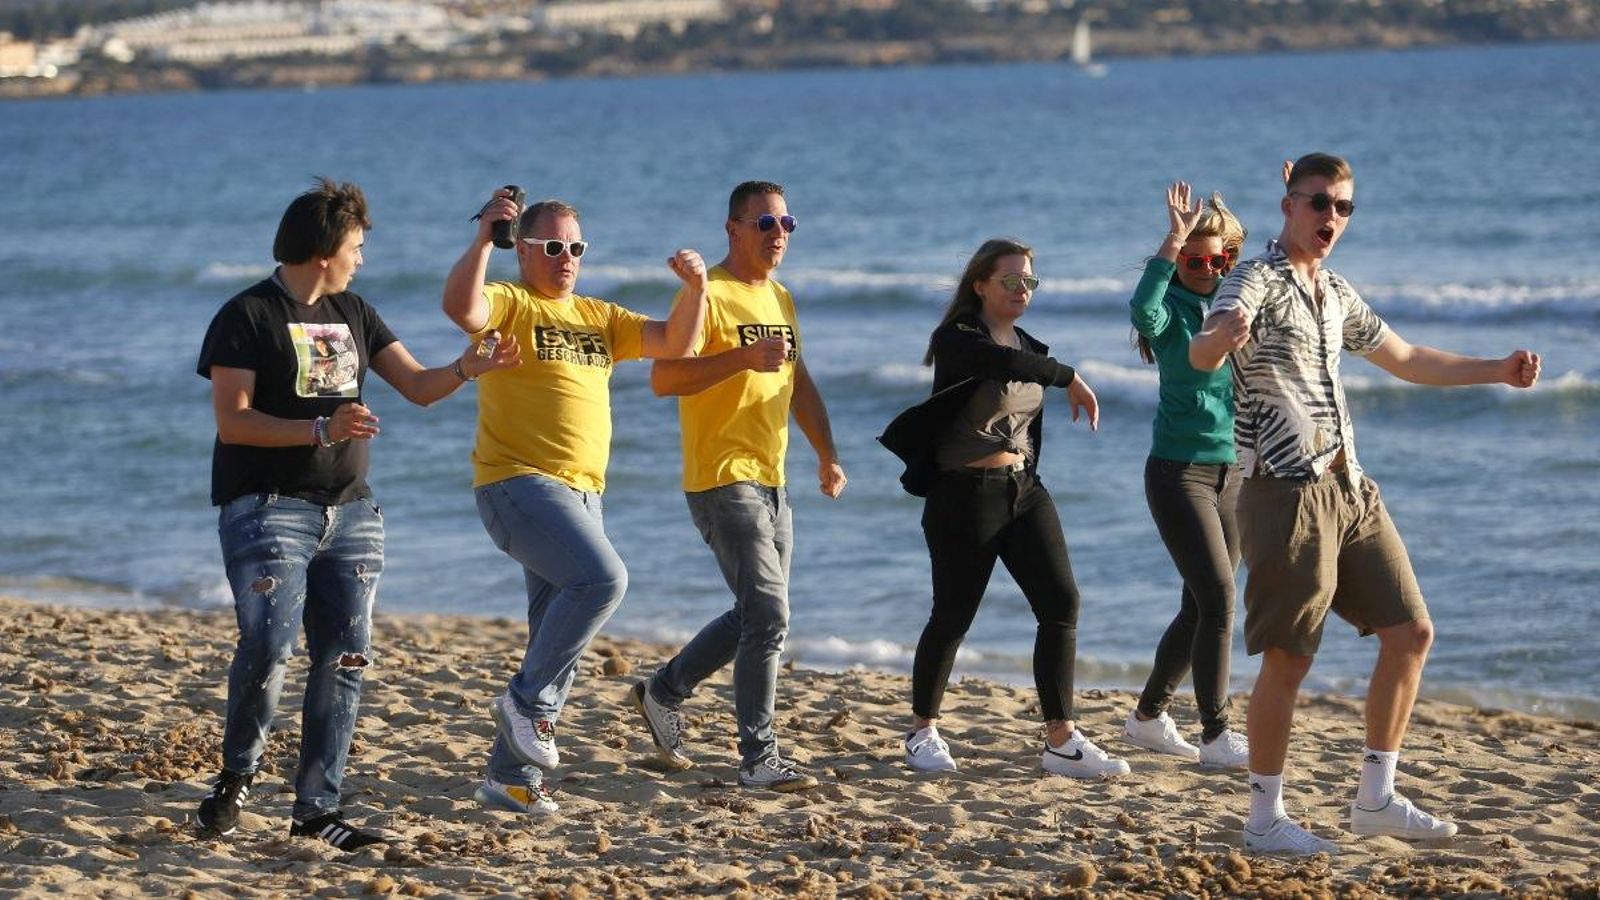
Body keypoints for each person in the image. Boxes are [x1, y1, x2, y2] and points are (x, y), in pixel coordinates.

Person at [1190, 153, 1542, 855]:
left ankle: (1376, 798)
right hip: (1284, 494)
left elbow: (1406, 358)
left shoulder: (1335, 292)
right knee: (1289, 658)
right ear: (1288, 204)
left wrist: (1495, 372)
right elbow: (1210, 343)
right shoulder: (1254, 278)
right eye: (1318, 203)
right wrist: (1213, 344)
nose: (1330, 218)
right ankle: (1263, 820)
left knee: (1411, 633)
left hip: (1351, 488)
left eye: (1343, 207)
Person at [195, 177, 519, 850]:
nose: (362, 258)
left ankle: (316, 809)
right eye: (356, 246)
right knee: (270, 647)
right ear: (323, 250)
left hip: (351, 512)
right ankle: (237, 775)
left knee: (346, 658)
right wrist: (321, 430)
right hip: (267, 509)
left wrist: (468, 365)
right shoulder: (247, 316)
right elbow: (234, 422)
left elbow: (419, 387)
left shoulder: (355, 313)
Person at [442, 188, 708, 817]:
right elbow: (462, 307)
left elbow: (675, 342)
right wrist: (485, 237)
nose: (567, 258)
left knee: (552, 638)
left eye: (576, 247)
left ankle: (509, 781)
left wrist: (696, 289)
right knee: (602, 579)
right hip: (517, 482)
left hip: (582, 493)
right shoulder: (512, 302)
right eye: (553, 246)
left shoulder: (599, 316)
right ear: (525, 252)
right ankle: (526, 706)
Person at [629, 181, 846, 792]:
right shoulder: (708, 294)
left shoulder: (780, 297)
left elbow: (798, 382)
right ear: (733, 229)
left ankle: (663, 689)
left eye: (787, 224)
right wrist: (741, 360)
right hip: (721, 475)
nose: (778, 234)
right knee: (770, 614)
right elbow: (665, 378)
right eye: (765, 224)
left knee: (758, 612)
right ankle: (758, 757)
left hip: (772, 477)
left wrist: (827, 454)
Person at [890, 237, 1128, 779]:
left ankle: (1062, 739)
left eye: (1029, 281)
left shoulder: (1031, 343)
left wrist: (1054, 378)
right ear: (980, 285)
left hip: (1023, 491)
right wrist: (1068, 376)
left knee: (1062, 602)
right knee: (953, 615)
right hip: (962, 497)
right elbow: (1000, 363)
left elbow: (1025, 407)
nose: (1022, 289)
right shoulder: (958, 339)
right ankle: (922, 731)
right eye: (1011, 280)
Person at [1120, 182, 1251, 769]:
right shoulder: (1169, 310)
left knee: (1200, 606)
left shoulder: (1237, 301)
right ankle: (1217, 731)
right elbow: (1140, 310)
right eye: (1194, 261)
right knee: (1220, 599)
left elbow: (1285, 287)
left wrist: (1296, 216)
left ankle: (1148, 716)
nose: (1206, 270)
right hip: (1179, 473)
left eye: (1217, 260)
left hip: (1235, 473)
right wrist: (1171, 244)